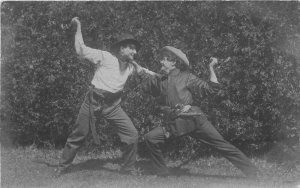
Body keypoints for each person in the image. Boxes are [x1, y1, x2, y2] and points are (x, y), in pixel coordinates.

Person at [55, 17, 156, 176]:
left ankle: (127, 168)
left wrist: (172, 75)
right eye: (131, 48)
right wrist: (79, 27)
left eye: (135, 49)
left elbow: (151, 75)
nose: (134, 52)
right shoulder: (106, 57)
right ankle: (62, 167)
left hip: (112, 106)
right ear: (121, 49)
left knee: (132, 135)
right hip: (92, 102)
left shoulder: (131, 67)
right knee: (78, 135)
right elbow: (81, 49)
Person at [141, 46, 259, 178]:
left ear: (173, 62)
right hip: (176, 123)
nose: (161, 62)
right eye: (161, 59)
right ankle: (161, 173)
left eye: (165, 59)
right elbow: (145, 88)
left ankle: (253, 172)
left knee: (222, 145)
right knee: (150, 138)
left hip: (194, 119)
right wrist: (156, 75)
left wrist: (211, 68)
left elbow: (211, 89)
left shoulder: (186, 77)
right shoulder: (160, 80)